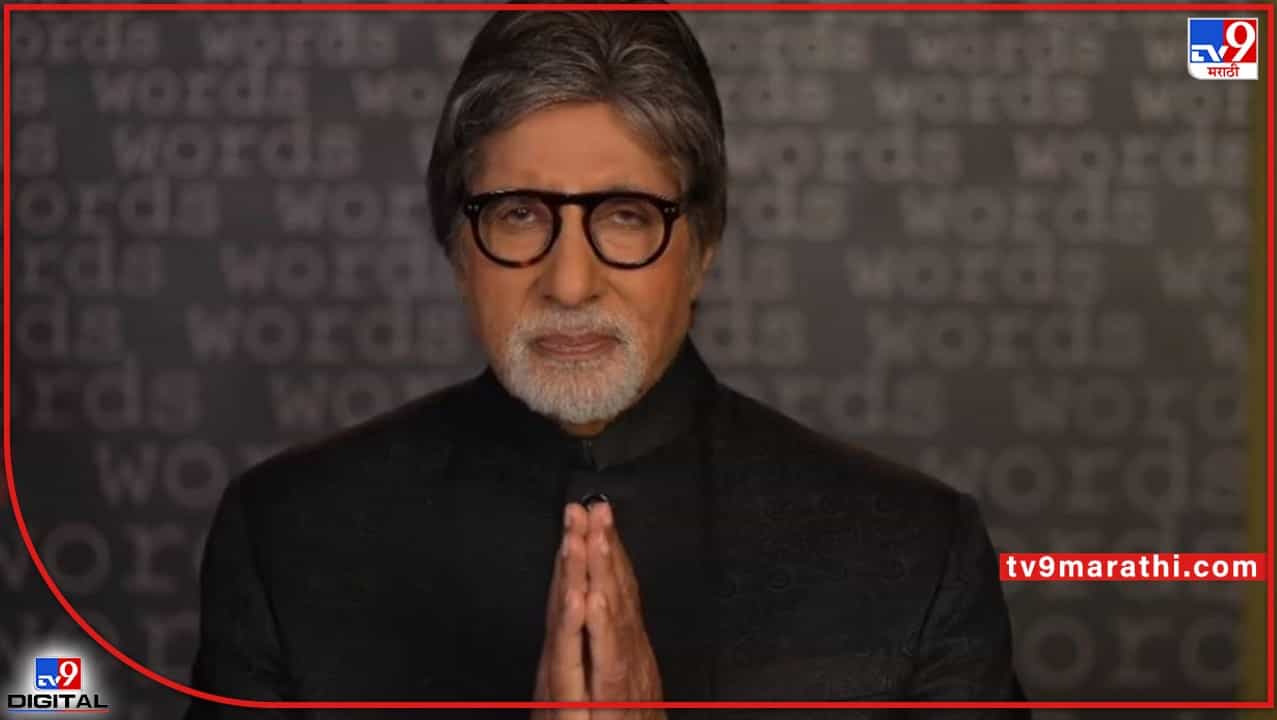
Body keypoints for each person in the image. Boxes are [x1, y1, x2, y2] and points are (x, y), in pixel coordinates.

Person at [183, 5, 1027, 719]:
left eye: (625, 215)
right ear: (456, 246)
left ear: (702, 248)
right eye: (517, 214)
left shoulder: (912, 556)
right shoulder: (288, 538)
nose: (570, 282)